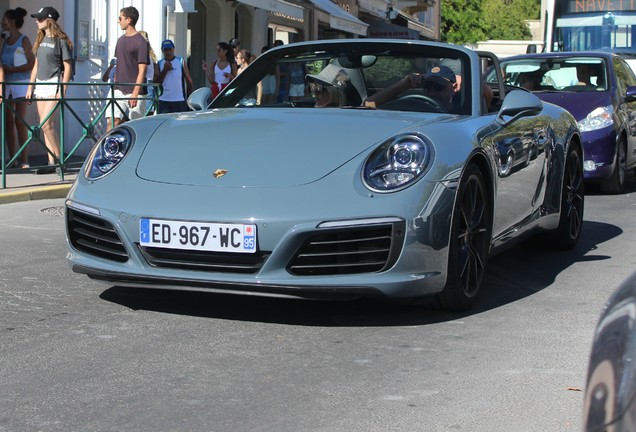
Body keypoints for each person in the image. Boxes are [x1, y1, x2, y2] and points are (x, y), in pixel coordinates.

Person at [25, 6, 72, 175]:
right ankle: (51, 161)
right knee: (45, 125)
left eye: (40, 18)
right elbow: (36, 65)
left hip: (54, 83)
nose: (37, 21)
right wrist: (30, 86)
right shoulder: (41, 38)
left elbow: (68, 67)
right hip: (41, 85)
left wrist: (63, 89)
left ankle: (59, 160)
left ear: (50, 19)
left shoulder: (60, 41)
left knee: (46, 124)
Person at [1, 7, 35, 169]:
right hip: (7, 84)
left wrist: (13, 69)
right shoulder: (4, 41)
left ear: (12, 22)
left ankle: (24, 159)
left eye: (5, 20)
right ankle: (12, 158)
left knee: (19, 121)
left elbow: (31, 63)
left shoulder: (24, 40)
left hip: (21, 83)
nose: (2, 23)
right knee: (8, 121)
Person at [106, 6, 149, 131]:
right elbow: (119, 63)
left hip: (135, 92)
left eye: (120, 18)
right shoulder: (120, 41)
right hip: (118, 89)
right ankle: (108, 149)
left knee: (136, 127)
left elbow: (142, 69)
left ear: (128, 20)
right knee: (112, 122)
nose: (118, 21)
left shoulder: (141, 42)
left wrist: (135, 93)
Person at [365, 65, 457, 112]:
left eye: (438, 87)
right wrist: (404, 84)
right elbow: (368, 104)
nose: (431, 93)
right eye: (428, 87)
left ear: (453, 88)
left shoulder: (465, 110)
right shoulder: (417, 106)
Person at [156, 39, 193, 114]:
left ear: (173, 49)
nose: (168, 52)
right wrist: (165, 70)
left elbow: (189, 81)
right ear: (162, 51)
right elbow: (157, 82)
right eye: (166, 50)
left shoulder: (180, 61)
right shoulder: (159, 63)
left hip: (179, 99)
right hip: (164, 100)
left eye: (170, 49)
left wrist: (190, 99)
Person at [138, 30, 158, 114]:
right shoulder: (151, 54)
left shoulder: (144, 54)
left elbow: (143, 69)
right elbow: (156, 72)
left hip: (145, 81)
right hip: (150, 81)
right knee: (148, 108)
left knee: (145, 110)